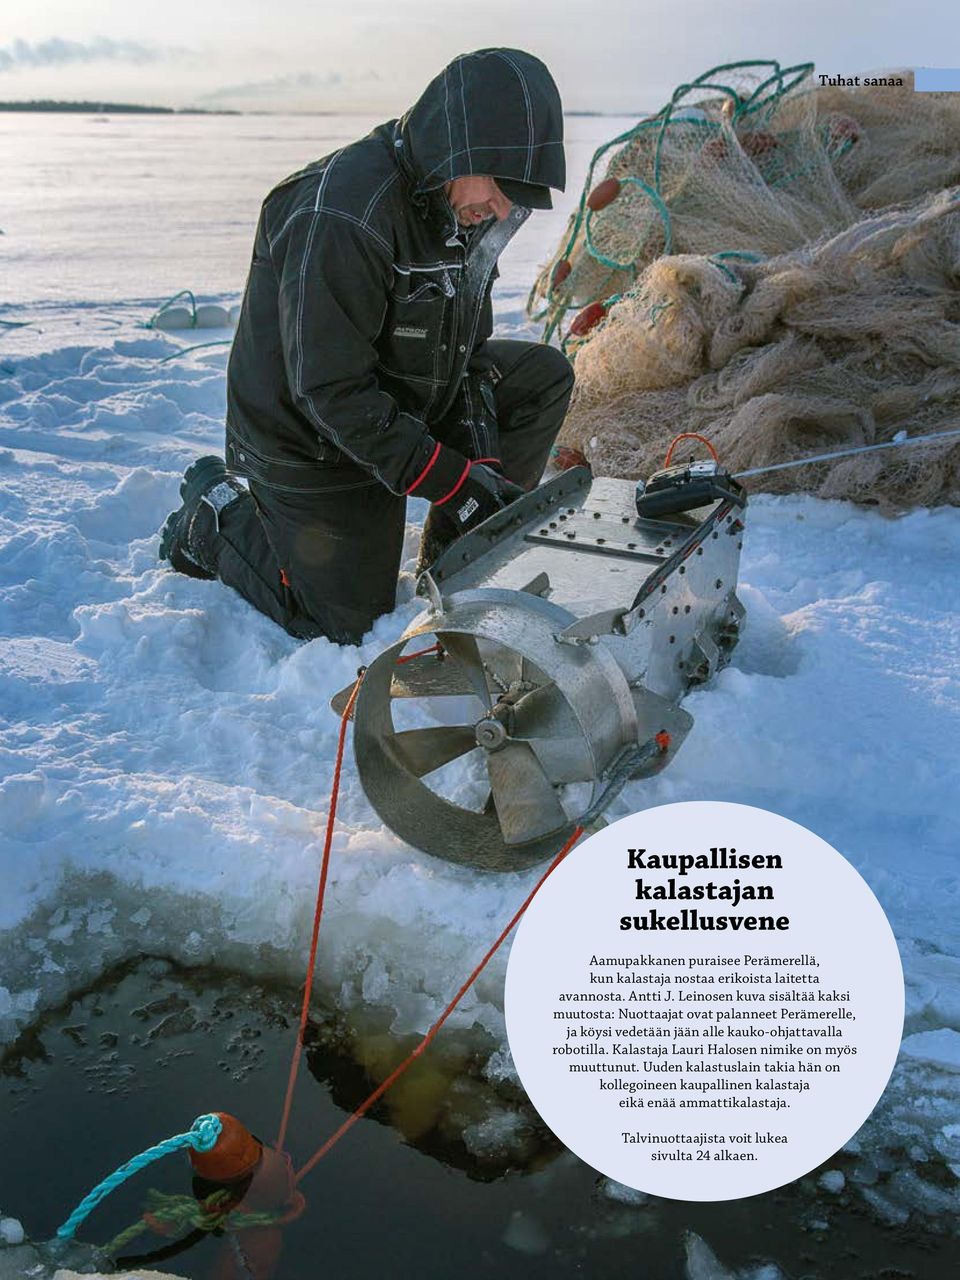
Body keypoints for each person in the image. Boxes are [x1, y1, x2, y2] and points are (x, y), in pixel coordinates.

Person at [160, 48, 574, 644]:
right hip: (309, 439)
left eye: (521, 194)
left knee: (542, 376)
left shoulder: (463, 208)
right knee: (348, 623)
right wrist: (449, 479)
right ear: (459, 148)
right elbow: (330, 392)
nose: (505, 208)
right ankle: (215, 516)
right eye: (504, 186)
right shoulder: (345, 214)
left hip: (399, 400)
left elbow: (470, 357)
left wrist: (478, 461)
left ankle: (458, 557)